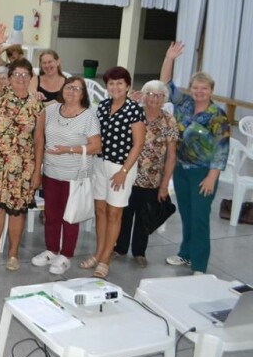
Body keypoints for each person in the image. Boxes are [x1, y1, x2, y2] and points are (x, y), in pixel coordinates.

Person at [0, 23, 44, 272]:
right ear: (9, 76)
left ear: (31, 79)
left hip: (22, 164)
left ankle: (14, 253)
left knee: (17, 211)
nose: (20, 79)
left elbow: (39, 141)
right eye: (16, 75)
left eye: (25, 76)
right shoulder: (0, 94)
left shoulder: (37, 106)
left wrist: (37, 171)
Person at [160, 42, 230, 274]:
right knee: (187, 215)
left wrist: (211, 177)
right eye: (196, 88)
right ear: (190, 89)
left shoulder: (217, 115)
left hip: (203, 173)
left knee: (200, 219)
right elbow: (166, 84)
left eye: (204, 88)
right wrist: (170, 58)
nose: (199, 92)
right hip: (181, 170)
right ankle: (185, 253)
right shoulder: (184, 104)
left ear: (211, 90)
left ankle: (199, 264)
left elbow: (221, 149)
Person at [31, 77, 101, 274]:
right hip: (51, 172)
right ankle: (51, 250)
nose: (72, 91)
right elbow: (39, 139)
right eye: (69, 87)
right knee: (51, 215)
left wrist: (68, 149)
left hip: (74, 175)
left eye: (77, 89)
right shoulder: (50, 111)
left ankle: (66, 255)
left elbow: (96, 146)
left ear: (83, 94)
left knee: (70, 216)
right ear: (63, 89)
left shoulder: (88, 116)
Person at [80, 66, 145, 279]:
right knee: (100, 211)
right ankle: (99, 252)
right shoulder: (103, 106)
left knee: (114, 213)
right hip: (100, 164)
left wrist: (124, 171)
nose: (115, 87)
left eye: (119, 83)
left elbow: (138, 144)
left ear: (127, 86)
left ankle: (106, 258)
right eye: (111, 83)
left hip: (121, 167)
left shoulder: (134, 109)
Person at [113, 80, 178, 267]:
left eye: (159, 95)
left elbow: (171, 155)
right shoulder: (134, 113)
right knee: (124, 213)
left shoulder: (168, 120)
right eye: (150, 94)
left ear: (164, 98)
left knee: (144, 216)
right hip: (129, 173)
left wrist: (165, 184)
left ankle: (139, 252)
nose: (154, 99)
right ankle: (120, 248)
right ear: (144, 95)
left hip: (152, 178)